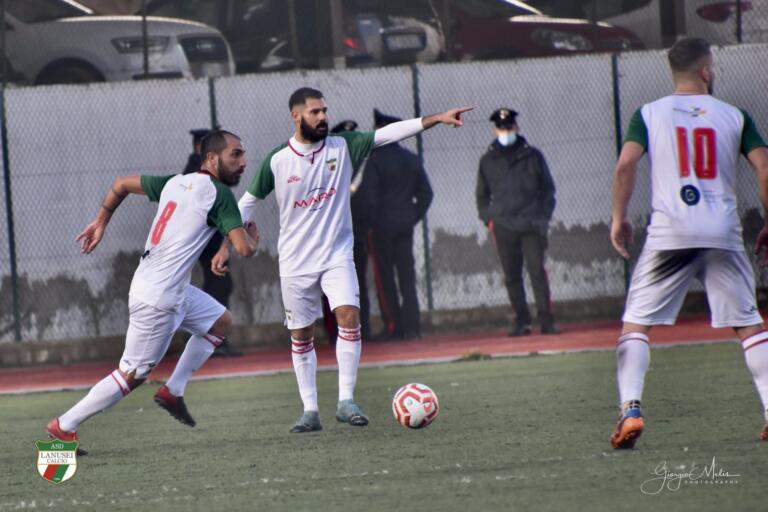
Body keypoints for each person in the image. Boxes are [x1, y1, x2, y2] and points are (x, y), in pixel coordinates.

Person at [214, 87, 470, 433]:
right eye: (315, 112)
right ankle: (310, 411)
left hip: (337, 256)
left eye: (324, 111)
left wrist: (436, 120)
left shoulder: (343, 145)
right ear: (296, 116)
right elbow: (245, 203)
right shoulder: (278, 159)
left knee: (349, 316)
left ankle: (346, 400)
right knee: (302, 334)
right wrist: (227, 244)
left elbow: (388, 134)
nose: (322, 117)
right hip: (295, 263)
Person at [45, 130, 259, 452]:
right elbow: (244, 248)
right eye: (236, 154)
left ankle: (174, 389)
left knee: (221, 322)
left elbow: (120, 184)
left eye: (243, 155)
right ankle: (64, 425)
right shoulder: (219, 194)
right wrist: (252, 240)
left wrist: (101, 220)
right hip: (160, 298)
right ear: (213, 159)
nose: (243, 162)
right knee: (131, 374)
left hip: (167, 287)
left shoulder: (175, 182)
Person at [609, 37, 768, 449]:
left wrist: (619, 217)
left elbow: (626, 163)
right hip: (722, 232)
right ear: (705, 71)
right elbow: (764, 167)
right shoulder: (735, 115)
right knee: (748, 325)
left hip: (670, 234)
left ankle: (630, 411)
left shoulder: (648, 114)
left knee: (636, 324)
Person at [476, 108, 558, 337]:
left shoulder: (533, 156)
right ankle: (522, 321)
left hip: (531, 224)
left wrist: (542, 218)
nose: (506, 132)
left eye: (509, 127)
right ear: (496, 130)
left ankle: (546, 321)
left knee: (536, 273)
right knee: (512, 276)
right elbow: (481, 196)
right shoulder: (488, 160)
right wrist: (489, 219)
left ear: (517, 128)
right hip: (503, 226)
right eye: (502, 128)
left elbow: (548, 191)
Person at [368, 108, 433, 340]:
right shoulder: (411, 159)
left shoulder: (374, 161)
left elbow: (370, 197)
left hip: (381, 228)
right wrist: (411, 216)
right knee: (407, 276)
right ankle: (412, 327)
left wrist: (371, 222)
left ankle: (394, 325)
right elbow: (426, 194)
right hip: (405, 225)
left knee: (385, 279)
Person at [183, 128, 242, 357]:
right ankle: (210, 340)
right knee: (218, 286)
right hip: (206, 243)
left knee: (218, 286)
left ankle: (210, 340)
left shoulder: (198, 169)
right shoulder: (195, 170)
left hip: (209, 241)